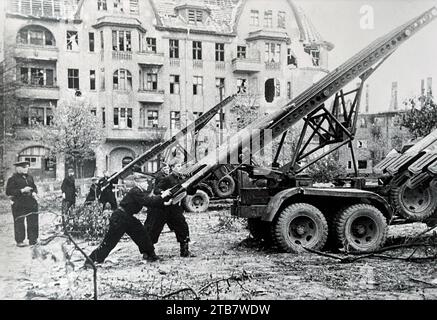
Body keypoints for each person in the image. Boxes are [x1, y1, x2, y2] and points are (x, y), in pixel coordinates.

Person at [85, 173, 172, 266]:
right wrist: (162, 196)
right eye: (145, 182)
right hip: (120, 218)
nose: (147, 184)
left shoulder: (140, 192)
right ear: (138, 183)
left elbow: (149, 201)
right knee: (110, 241)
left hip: (127, 217)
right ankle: (91, 260)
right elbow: (148, 201)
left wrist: (164, 204)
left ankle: (150, 254)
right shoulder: (136, 191)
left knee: (142, 233)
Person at [144, 161, 194, 257]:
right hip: (162, 208)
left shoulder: (182, 178)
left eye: (181, 166)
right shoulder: (167, 178)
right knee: (154, 229)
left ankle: (184, 251)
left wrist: (194, 185)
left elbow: (190, 191)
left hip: (174, 208)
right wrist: (165, 192)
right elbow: (156, 189)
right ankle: (148, 253)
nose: (180, 167)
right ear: (173, 168)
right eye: (178, 166)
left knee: (182, 227)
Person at [5, 161, 39, 247]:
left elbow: (34, 187)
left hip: (31, 202)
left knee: (33, 220)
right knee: (19, 221)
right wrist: (22, 190)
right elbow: (8, 192)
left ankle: (33, 240)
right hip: (19, 202)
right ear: (18, 168)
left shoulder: (30, 177)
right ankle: (20, 241)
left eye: (27, 167)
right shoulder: (12, 179)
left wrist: (34, 192)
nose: (26, 169)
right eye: (24, 167)